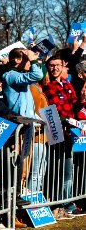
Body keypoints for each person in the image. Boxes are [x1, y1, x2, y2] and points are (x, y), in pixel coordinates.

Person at [0, 48, 43, 207]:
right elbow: (37, 75)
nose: (29, 62)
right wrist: (31, 59)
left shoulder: (20, 78)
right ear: (18, 60)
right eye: (25, 58)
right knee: (15, 162)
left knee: (22, 161)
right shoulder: (11, 75)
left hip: (26, 123)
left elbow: (27, 104)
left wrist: (38, 119)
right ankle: (9, 197)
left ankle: (17, 194)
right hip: (16, 125)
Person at [43, 54, 86, 215]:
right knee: (60, 170)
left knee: (69, 171)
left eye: (57, 65)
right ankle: (63, 204)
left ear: (63, 66)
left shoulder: (67, 84)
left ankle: (67, 203)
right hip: (56, 133)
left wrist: (82, 100)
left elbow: (75, 107)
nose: (54, 68)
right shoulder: (48, 86)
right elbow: (54, 110)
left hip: (70, 134)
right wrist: (67, 121)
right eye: (51, 65)